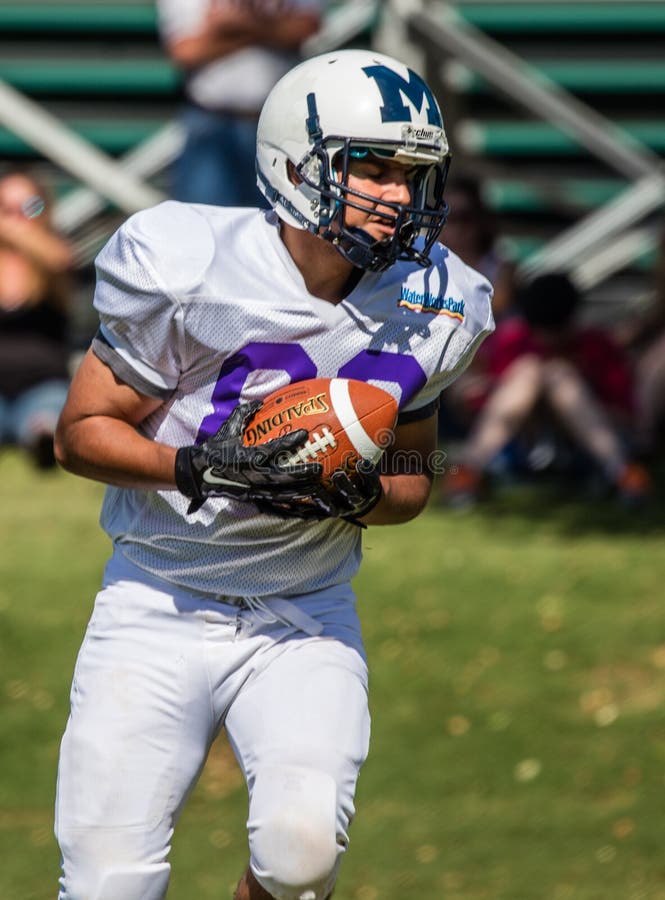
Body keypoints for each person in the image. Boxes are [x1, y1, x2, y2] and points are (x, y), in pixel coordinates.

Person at [53, 49, 494, 900]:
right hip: (158, 597)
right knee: (109, 883)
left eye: (414, 173)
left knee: (301, 861)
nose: (400, 195)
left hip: (304, 612)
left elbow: (413, 471)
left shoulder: (440, 299)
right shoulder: (188, 261)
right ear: (298, 164)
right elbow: (81, 434)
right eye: (373, 168)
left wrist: (364, 492)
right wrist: (198, 466)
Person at [442, 272, 652, 507]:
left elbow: (628, 417)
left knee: (558, 376)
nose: (548, 341)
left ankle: (623, 473)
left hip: (582, 446)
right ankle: (469, 472)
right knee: (529, 371)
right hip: (521, 440)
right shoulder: (513, 341)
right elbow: (476, 403)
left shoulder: (596, 347)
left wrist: (565, 404)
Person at [158, 0, 323, 206]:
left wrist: (231, 28)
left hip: (279, 125)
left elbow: (306, 26)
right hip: (211, 122)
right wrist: (266, 28)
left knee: (278, 225)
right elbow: (186, 50)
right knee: (199, 224)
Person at [0, 169, 74, 468]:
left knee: (47, 412)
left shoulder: (51, 261)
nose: (15, 218)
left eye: (28, 208)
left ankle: (42, 439)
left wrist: (12, 231)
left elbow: (59, 261)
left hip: (42, 383)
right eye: (5, 208)